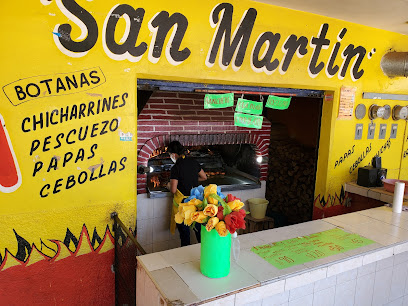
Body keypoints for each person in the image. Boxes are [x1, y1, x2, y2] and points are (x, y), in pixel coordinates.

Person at [167, 141, 207, 246]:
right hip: (196, 202)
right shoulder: (193, 162)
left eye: (170, 155)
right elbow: (204, 177)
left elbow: (173, 190)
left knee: (185, 234)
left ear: (174, 154)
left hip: (184, 204)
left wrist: (168, 185)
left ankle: (185, 255)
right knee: (198, 230)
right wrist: (192, 180)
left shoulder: (176, 168)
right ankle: (203, 252)